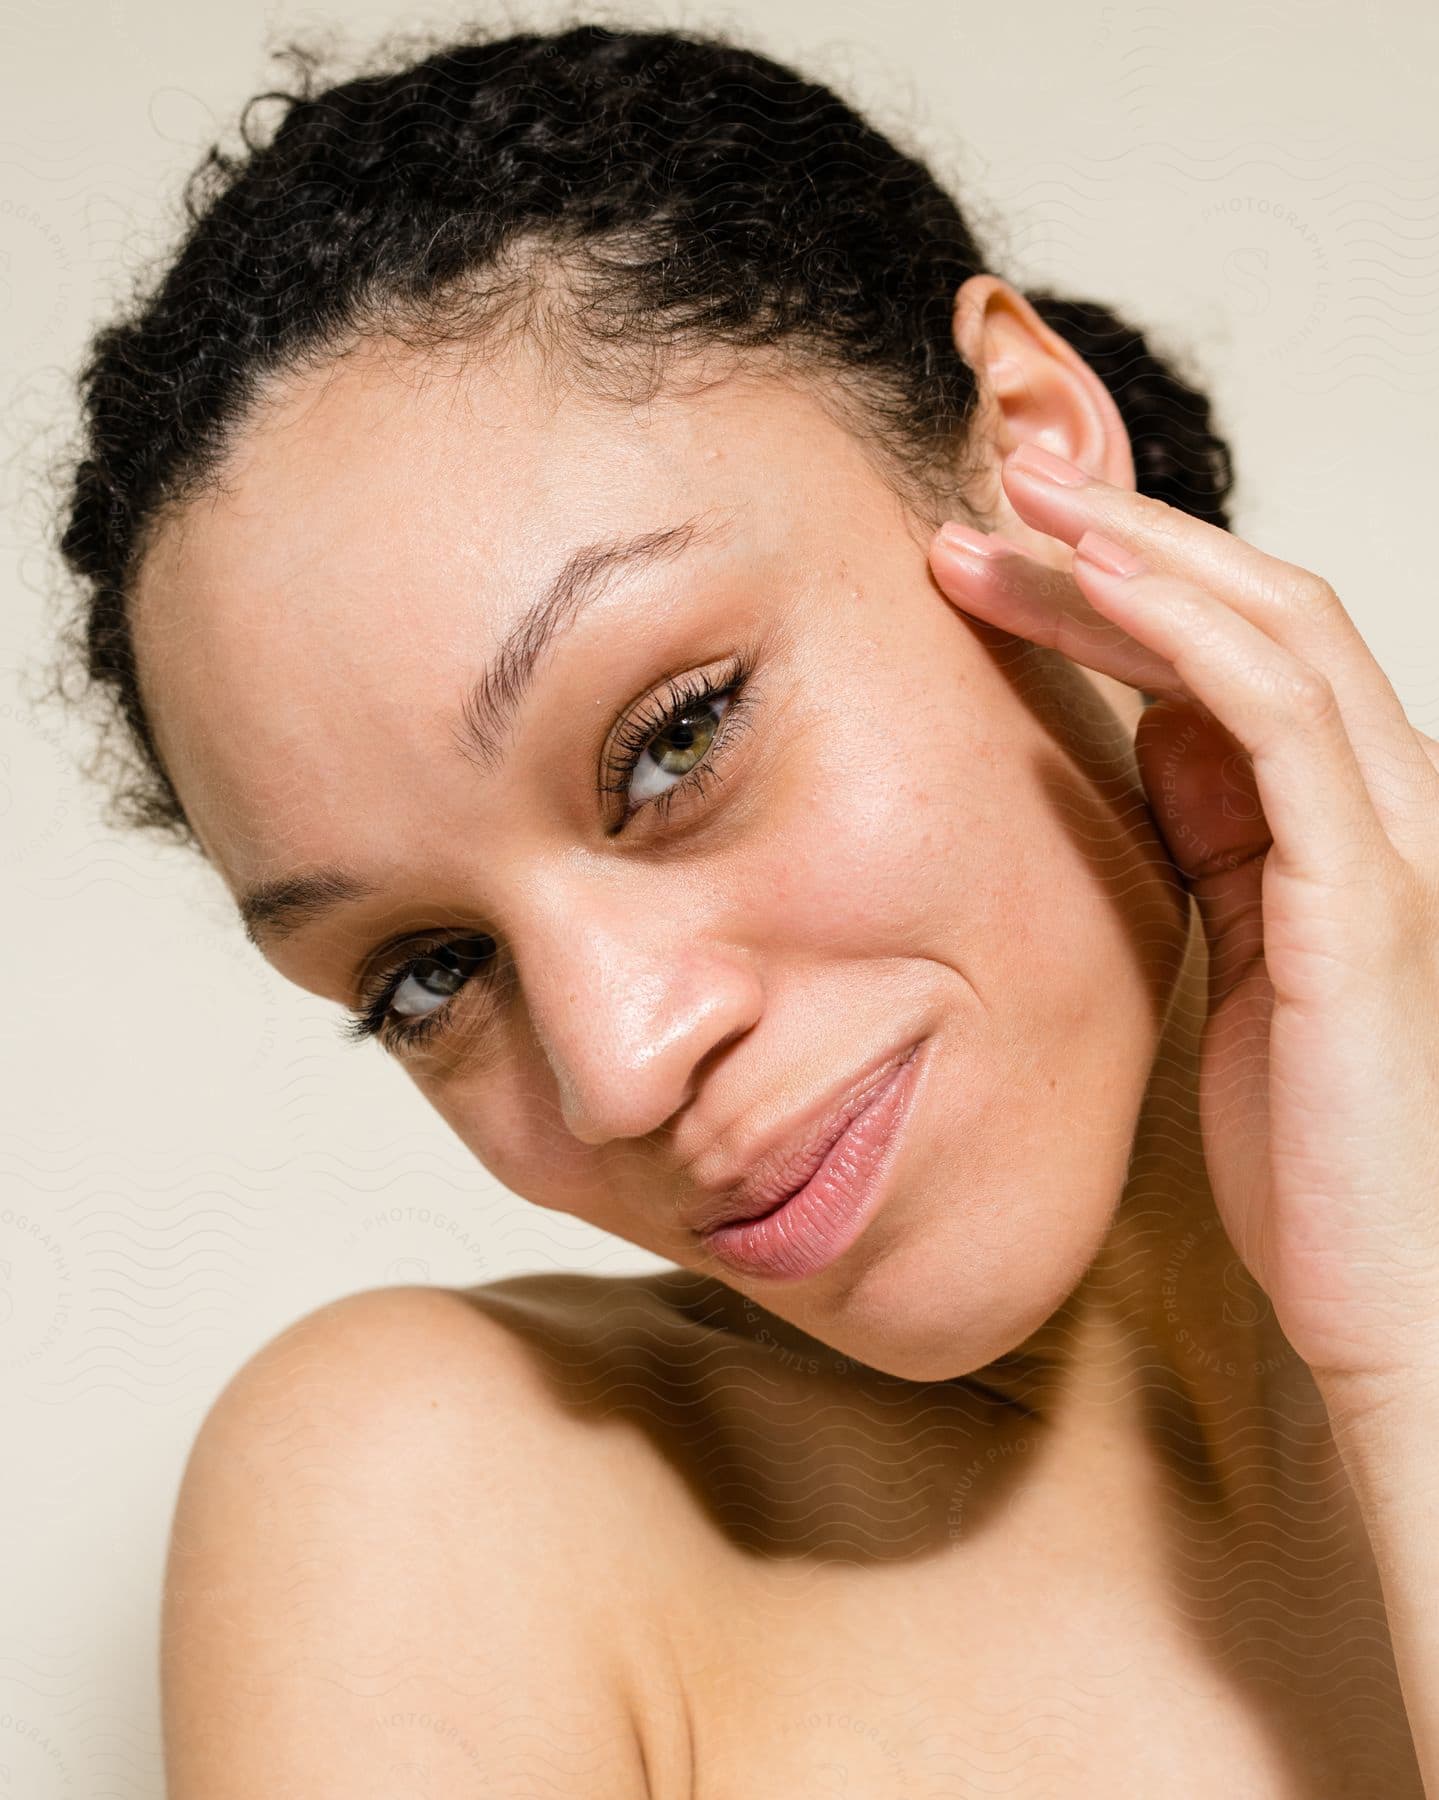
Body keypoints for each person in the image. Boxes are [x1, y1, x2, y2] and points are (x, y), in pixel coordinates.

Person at [49, 22, 1439, 1796]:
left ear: (1033, 453)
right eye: (428, 976)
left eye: (672, 740)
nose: (617, 1071)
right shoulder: (450, 1508)